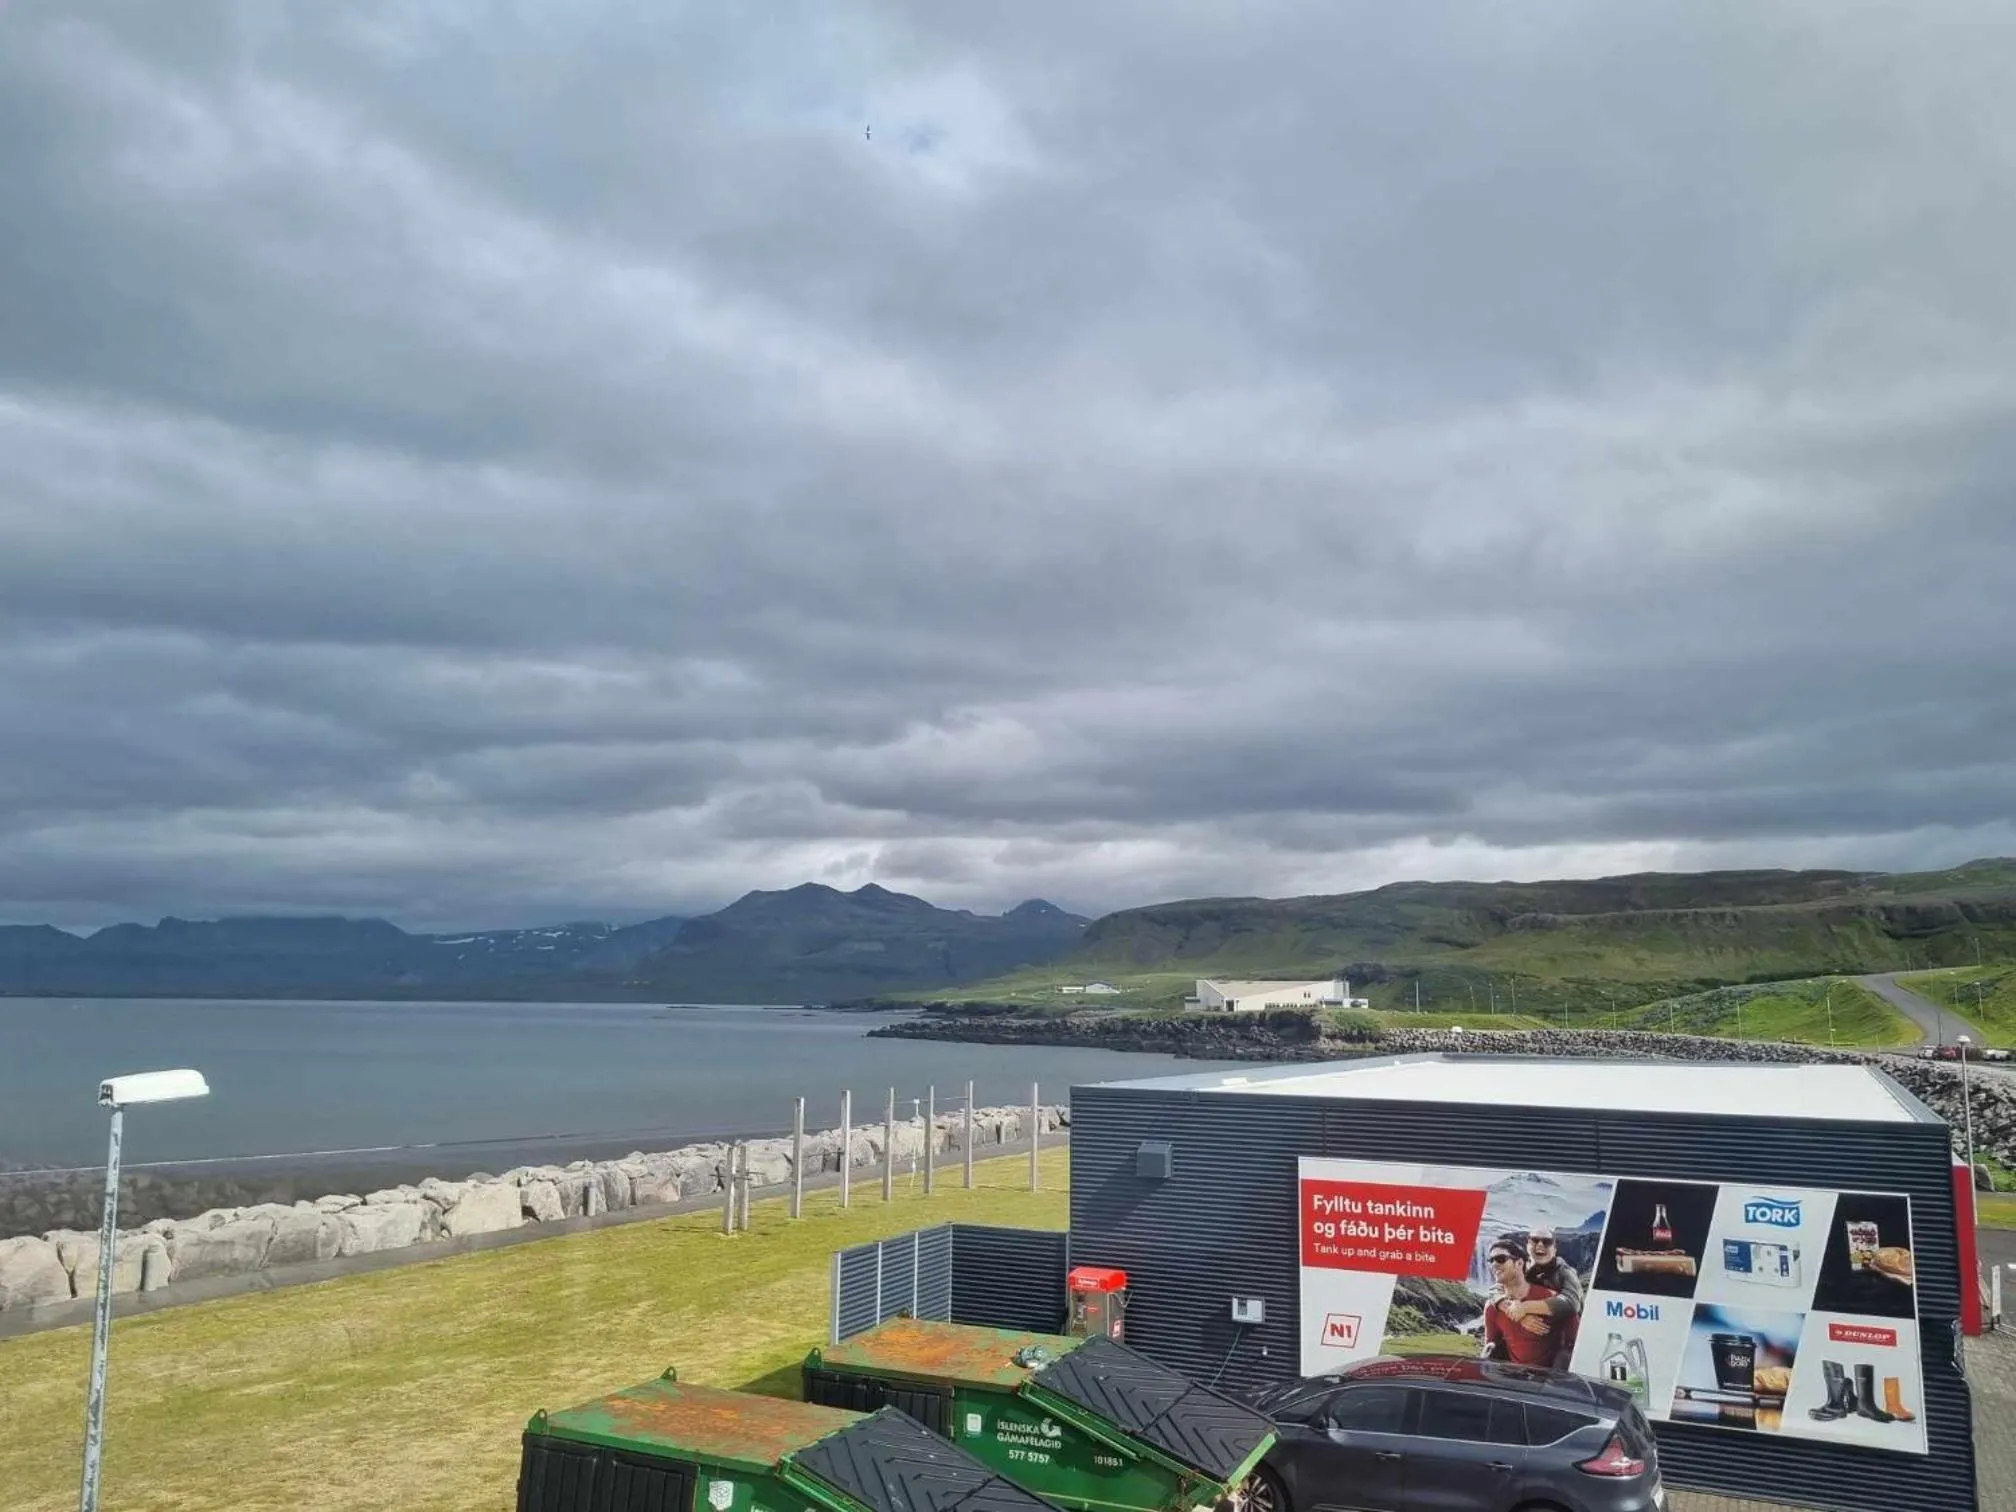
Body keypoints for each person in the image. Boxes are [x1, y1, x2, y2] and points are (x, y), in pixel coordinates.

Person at [1494, 1225, 1585, 1369]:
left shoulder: (1566, 1273)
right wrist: (1517, 1314)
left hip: (1561, 1339)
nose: (1540, 1245)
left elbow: (1571, 1303)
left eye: (1547, 1242)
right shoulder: (1523, 1268)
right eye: (1535, 1240)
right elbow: (1496, 1289)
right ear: (1527, 1245)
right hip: (1527, 1336)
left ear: (1555, 1249)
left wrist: (1524, 1308)